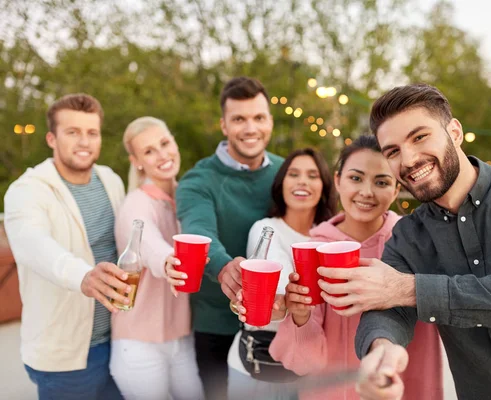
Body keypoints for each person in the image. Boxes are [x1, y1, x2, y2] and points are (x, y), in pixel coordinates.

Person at [327, 84, 491, 400]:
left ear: (454, 132)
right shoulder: (409, 236)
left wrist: (410, 288)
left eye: (419, 137)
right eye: (393, 151)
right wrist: (380, 350)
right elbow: (386, 312)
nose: (410, 159)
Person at [269, 135, 445, 400]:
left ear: (396, 190)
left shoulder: (417, 243)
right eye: (355, 178)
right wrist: (301, 317)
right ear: (338, 181)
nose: (366, 192)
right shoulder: (313, 250)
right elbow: (304, 364)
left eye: (382, 182)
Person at [4, 93, 126, 400]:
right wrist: (83, 275)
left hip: (120, 341)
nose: (84, 141)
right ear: (51, 138)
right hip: (66, 356)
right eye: (72, 132)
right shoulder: (26, 191)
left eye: (91, 133)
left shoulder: (111, 180)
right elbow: (35, 245)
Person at [176, 77, 284, 400]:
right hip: (217, 325)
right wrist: (225, 267)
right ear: (224, 125)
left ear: (270, 122)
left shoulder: (287, 173)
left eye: (258, 118)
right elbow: (198, 230)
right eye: (239, 119)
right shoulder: (198, 180)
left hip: (276, 322)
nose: (250, 128)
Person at [228, 148, 336, 398]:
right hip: (258, 366)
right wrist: (283, 302)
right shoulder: (265, 230)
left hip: (309, 370)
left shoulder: (331, 237)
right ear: (281, 184)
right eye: (293, 174)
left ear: (324, 187)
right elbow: (278, 291)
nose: (302, 181)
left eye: (312, 175)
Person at [109, 117, 203, 399]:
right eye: (149, 151)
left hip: (181, 339)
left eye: (164, 143)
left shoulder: (187, 199)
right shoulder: (136, 204)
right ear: (137, 161)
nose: (162, 154)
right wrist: (169, 262)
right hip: (138, 344)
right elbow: (149, 245)